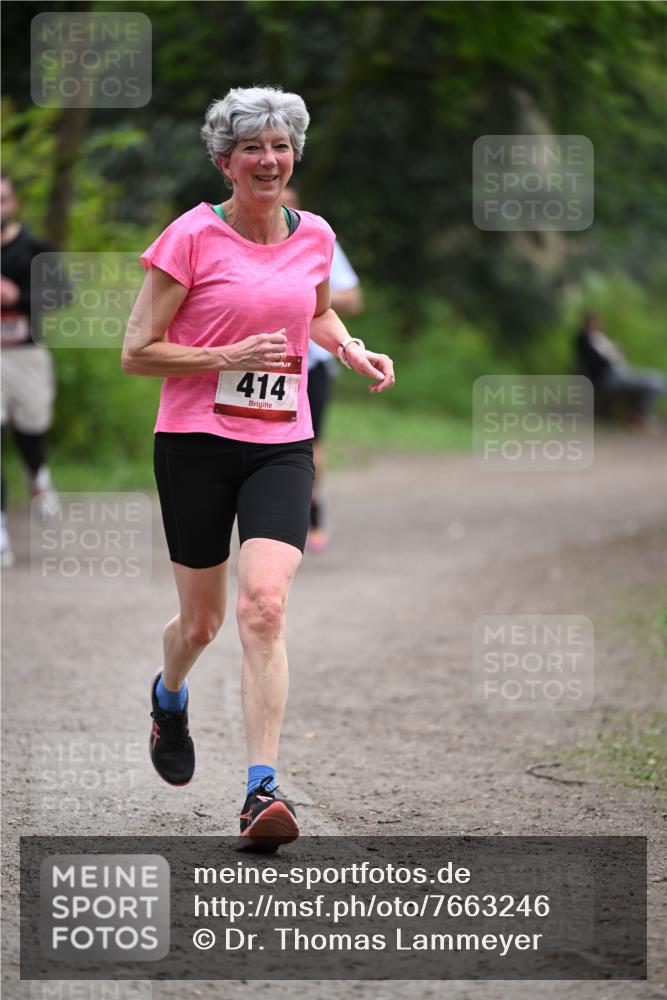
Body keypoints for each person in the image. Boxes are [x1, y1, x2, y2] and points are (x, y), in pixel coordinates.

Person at [122, 86, 395, 851]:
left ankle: (260, 791)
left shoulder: (315, 235)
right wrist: (225, 355)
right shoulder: (189, 237)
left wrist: (349, 347)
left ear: (292, 156)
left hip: (281, 441)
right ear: (225, 162)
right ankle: (168, 695)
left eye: (279, 146)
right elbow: (137, 351)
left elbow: (315, 309)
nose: (268, 160)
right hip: (195, 443)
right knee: (201, 623)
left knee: (264, 607)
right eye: (251, 148)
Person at [282, 184, 363, 553]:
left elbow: (353, 298)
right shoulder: (239, 237)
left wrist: (304, 292)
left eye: (288, 205)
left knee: (311, 441)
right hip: (254, 360)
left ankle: (313, 514)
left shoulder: (315, 238)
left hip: (310, 361)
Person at [1, 173, 60, 568]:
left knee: (31, 431)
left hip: (26, 355)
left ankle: (37, 475)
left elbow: (61, 294)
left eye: (1, 199)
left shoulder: (35, 249)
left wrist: (17, 297)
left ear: (13, 203)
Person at [574, 311, 665, 430]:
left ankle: (637, 415)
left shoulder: (600, 338)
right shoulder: (585, 339)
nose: (595, 324)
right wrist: (612, 355)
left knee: (657, 379)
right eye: (592, 322)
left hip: (620, 371)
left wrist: (616, 352)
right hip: (610, 376)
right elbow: (597, 361)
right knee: (653, 382)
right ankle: (639, 417)